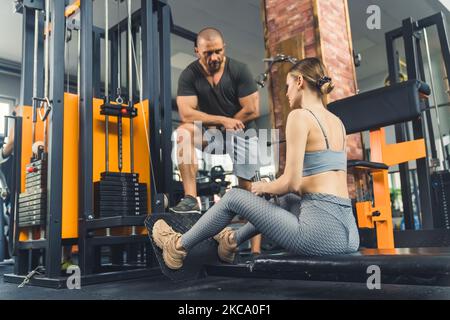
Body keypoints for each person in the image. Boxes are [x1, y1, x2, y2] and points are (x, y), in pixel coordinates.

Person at [154, 57, 360, 270]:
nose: (286, 93)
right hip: (349, 235)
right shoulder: (338, 123)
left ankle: (177, 246)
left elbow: (291, 182)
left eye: (287, 86)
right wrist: (274, 190)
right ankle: (231, 241)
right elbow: (308, 184)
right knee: (286, 199)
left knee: (235, 196)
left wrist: (259, 187)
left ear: (300, 82)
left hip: (318, 237)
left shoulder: (300, 116)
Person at [172, 27, 261, 214]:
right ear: (197, 51)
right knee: (183, 132)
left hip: (241, 134)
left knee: (248, 197)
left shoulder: (239, 70)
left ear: (224, 47)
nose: (214, 58)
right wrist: (222, 121)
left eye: (218, 51)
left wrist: (228, 124)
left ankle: (255, 245)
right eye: (207, 53)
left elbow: (252, 110)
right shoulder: (189, 75)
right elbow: (186, 114)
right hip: (214, 135)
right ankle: (190, 199)